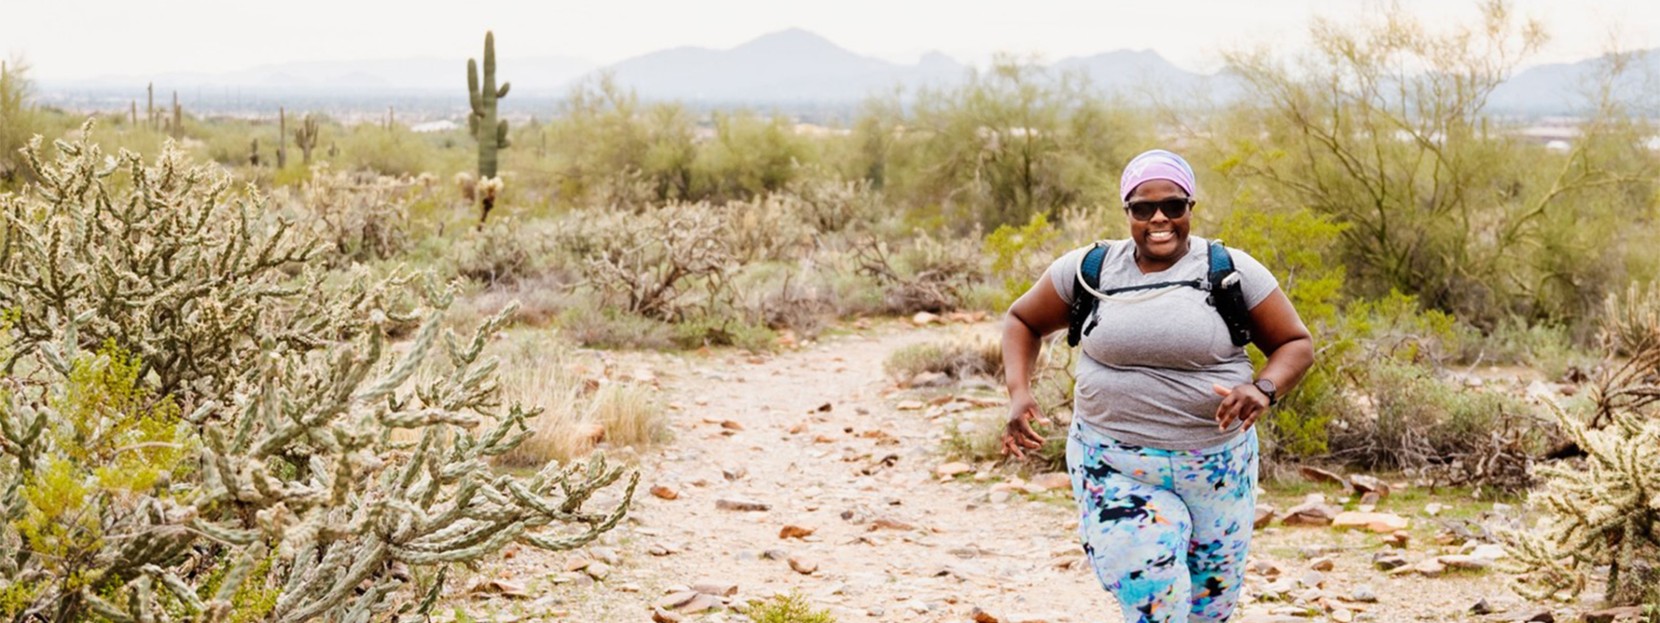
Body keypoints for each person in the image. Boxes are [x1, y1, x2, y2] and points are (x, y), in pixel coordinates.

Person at [999, 149, 1314, 623]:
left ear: (1191, 208)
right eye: (1143, 208)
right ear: (1127, 212)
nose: (1159, 218)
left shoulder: (1229, 271)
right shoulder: (1092, 270)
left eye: (1174, 205)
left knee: (1209, 608)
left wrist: (1263, 389)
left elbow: (1295, 343)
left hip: (1217, 468)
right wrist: (1019, 391)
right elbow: (1022, 319)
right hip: (1114, 461)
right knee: (1152, 591)